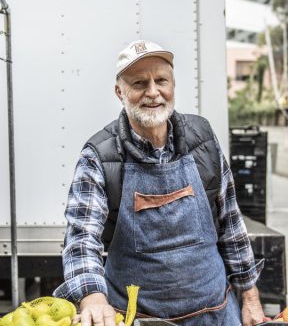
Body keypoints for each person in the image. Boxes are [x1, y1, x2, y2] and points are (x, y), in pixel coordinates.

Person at [54, 40, 266, 326]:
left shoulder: (202, 139)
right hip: (136, 318)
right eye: (139, 83)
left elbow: (231, 224)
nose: (152, 92)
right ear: (120, 92)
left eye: (161, 80)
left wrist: (250, 297)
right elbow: (81, 237)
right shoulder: (100, 156)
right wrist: (92, 296)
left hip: (215, 314)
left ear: (173, 85)